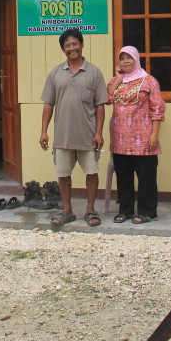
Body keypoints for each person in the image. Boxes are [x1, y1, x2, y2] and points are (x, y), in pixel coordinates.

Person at [40, 27, 108, 227]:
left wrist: (98, 133)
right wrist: (44, 131)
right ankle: (67, 210)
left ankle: (90, 210)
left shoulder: (94, 72)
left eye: (75, 43)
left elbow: (100, 105)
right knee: (63, 174)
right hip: (63, 135)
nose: (72, 48)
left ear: (82, 44)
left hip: (88, 135)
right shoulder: (55, 73)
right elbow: (48, 104)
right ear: (63, 49)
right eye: (68, 45)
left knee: (92, 172)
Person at [107, 45, 165, 224]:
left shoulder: (149, 81)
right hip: (120, 139)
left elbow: (158, 109)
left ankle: (148, 212)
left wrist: (155, 135)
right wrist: (118, 78)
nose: (125, 61)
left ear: (136, 59)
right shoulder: (115, 81)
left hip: (143, 138)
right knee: (123, 177)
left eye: (129, 57)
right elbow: (107, 98)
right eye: (122, 58)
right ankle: (125, 211)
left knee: (146, 177)